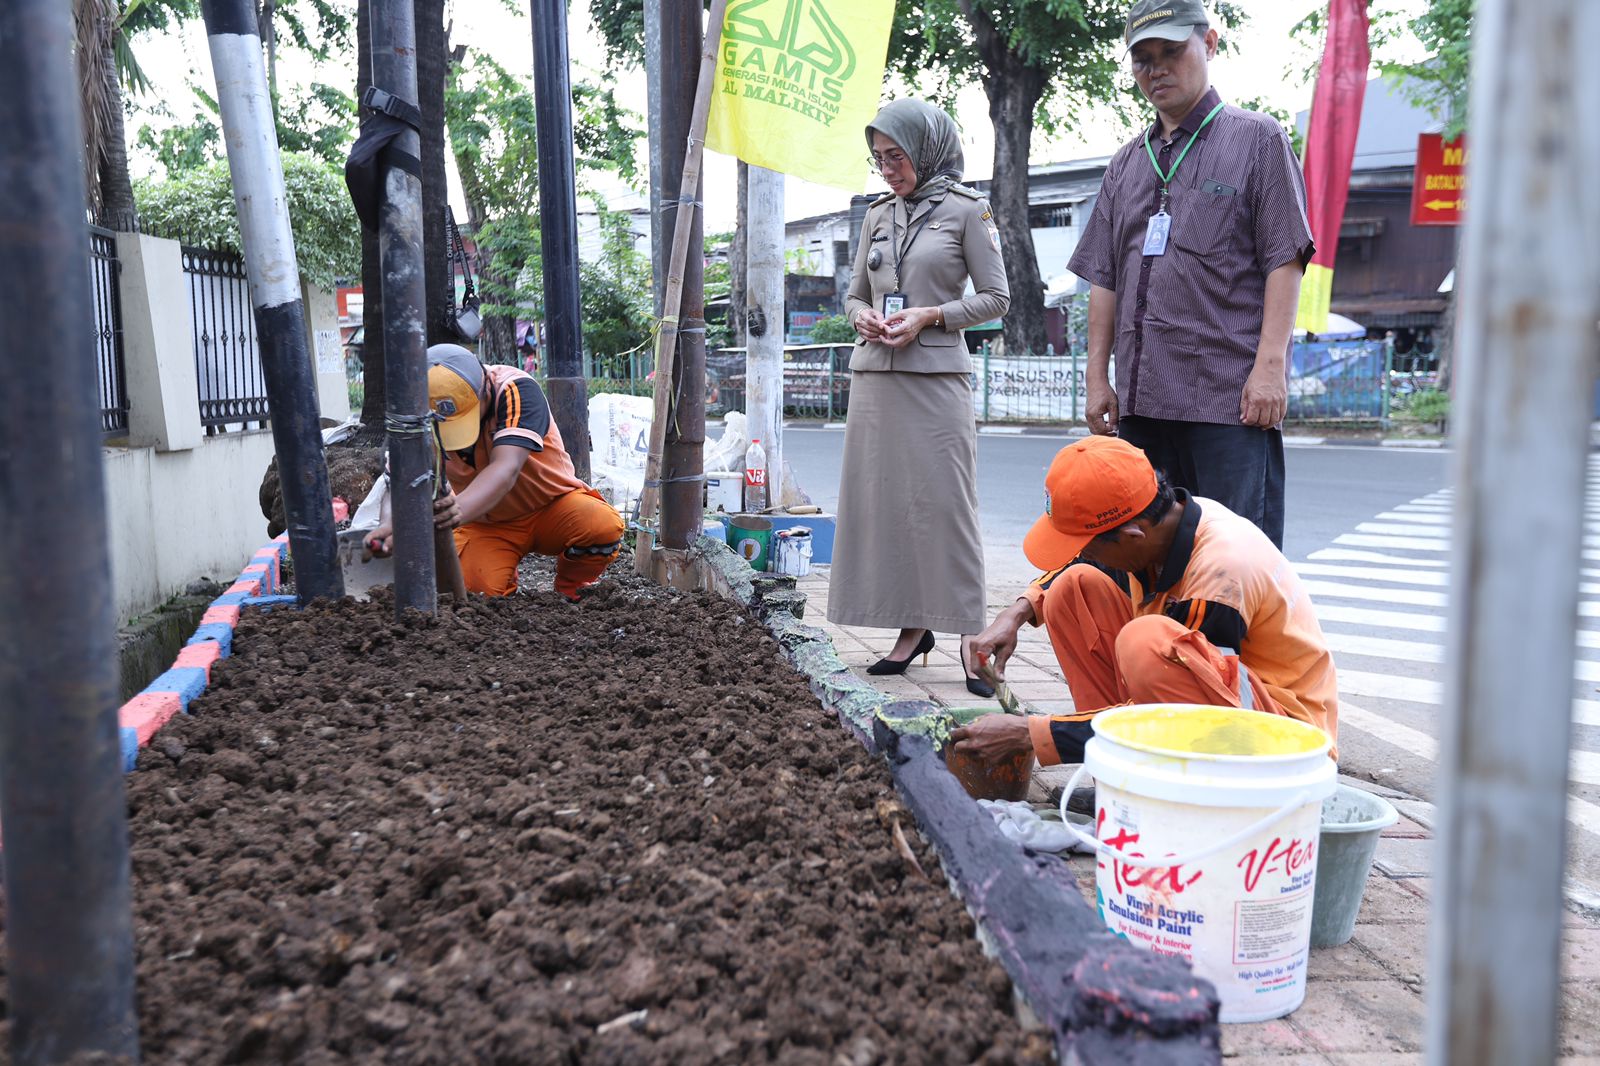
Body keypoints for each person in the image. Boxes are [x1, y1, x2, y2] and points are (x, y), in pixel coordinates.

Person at [1068, 0, 1314, 548]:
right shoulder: (1126, 163)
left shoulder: (1258, 139)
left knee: (1232, 564)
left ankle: (1223, 641)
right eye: (1143, 59)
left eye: (1171, 52)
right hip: (1140, 405)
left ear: (1209, 43)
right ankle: (1153, 642)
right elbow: (1103, 278)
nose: (1156, 69)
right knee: (1143, 563)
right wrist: (1096, 379)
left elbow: (1285, 258)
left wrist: (1270, 369)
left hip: (1227, 403)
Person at [950, 436, 1339, 770]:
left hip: (1280, 740)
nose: (1089, 555)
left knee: (1146, 641)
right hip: (1214, 705)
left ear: (1133, 535)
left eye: (1091, 545)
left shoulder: (1219, 576)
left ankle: (1160, 777)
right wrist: (1016, 613)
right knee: (1072, 590)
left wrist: (1033, 734)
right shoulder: (1162, 523)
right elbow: (1081, 561)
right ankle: (1120, 768)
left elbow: (1193, 714)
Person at [828, 97, 1010, 696]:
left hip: (936, 380)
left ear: (926, 150)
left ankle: (968, 638)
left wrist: (931, 314)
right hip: (877, 375)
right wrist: (862, 320)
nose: (887, 169)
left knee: (946, 509)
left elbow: (996, 299)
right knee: (890, 509)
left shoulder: (967, 211)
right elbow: (854, 295)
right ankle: (911, 630)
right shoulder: (878, 215)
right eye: (879, 158)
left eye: (897, 156)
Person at [369, 343, 625, 600]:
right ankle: (504, 596)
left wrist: (455, 511)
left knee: (600, 525)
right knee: (477, 593)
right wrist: (389, 525)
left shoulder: (515, 389)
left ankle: (573, 591)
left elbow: (506, 469)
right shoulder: (417, 417)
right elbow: (399, 482)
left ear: (485, 390)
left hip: (551, 506)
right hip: (484, 523)